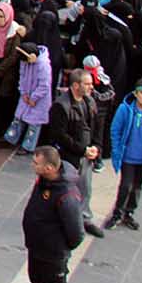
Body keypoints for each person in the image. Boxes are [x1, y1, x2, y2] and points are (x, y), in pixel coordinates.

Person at [44, 70, 106, 237]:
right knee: (65, 189)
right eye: (87, 84)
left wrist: (96, 148)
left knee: (85, 188)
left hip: (86, 155)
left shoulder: (90, 102)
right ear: (75, 85)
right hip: (69, 156)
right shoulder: (61, 106)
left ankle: (84, 218)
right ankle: (61, 219)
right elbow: (60, 135)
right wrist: (82, 149)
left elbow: (97, 127)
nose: (91, 87)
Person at [21, 147, 85, 283]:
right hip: (37, 248)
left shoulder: (66, 195)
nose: (33, 165)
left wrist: (58, 246)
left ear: (49, 168)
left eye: (36, 163)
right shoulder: (44, 181)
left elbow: (76, 233)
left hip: (53, 256)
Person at [106, 80, 142, 231]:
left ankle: (129, 213)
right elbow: (116, 130)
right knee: (126, 185)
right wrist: (117, 149)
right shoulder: (125, 110)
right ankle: (117, 213)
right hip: (128, 157)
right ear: (136, 94)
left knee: (137, 187)